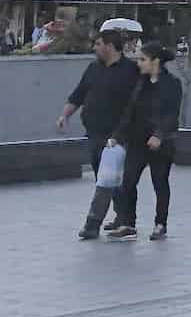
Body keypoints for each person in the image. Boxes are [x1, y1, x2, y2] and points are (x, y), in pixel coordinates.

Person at [59, 28, 142, 240]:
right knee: (103, 177)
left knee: (109, 178)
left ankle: (96, 224)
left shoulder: (131, 70)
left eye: (97, 44)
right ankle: (120, 216)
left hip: (118, 135)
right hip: (94, 132)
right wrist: (65, 115)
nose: (94, 48)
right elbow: (78, 94)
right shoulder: (93, 68)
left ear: (109, 46)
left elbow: (136, 104)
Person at [105, 41, 184, 241]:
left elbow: (171, 114)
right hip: (137, 141)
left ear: (155, 61)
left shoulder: (172, 84)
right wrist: (116, 135)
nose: (138, 63)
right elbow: (129, 112)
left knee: (160, 183)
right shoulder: (140, 84)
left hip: (160, 143)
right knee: (128, 182)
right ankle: (128, 224)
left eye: (142, 59)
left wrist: (159, 135)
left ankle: (160, 224)